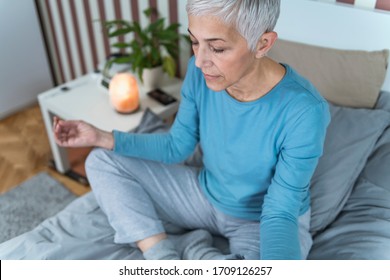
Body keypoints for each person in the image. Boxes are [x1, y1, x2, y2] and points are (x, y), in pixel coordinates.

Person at [53, 0, 330, 260]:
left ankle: (194, 250)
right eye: (195, 42)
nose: (199, 61)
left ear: (262, 44)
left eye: (217, 48)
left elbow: (279, 212)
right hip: (205, 195)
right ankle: (163, 257)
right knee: (101, 160)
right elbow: (177, 146)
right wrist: (101, 137)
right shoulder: (200, 73)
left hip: (260, 220)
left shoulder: (304, 111)